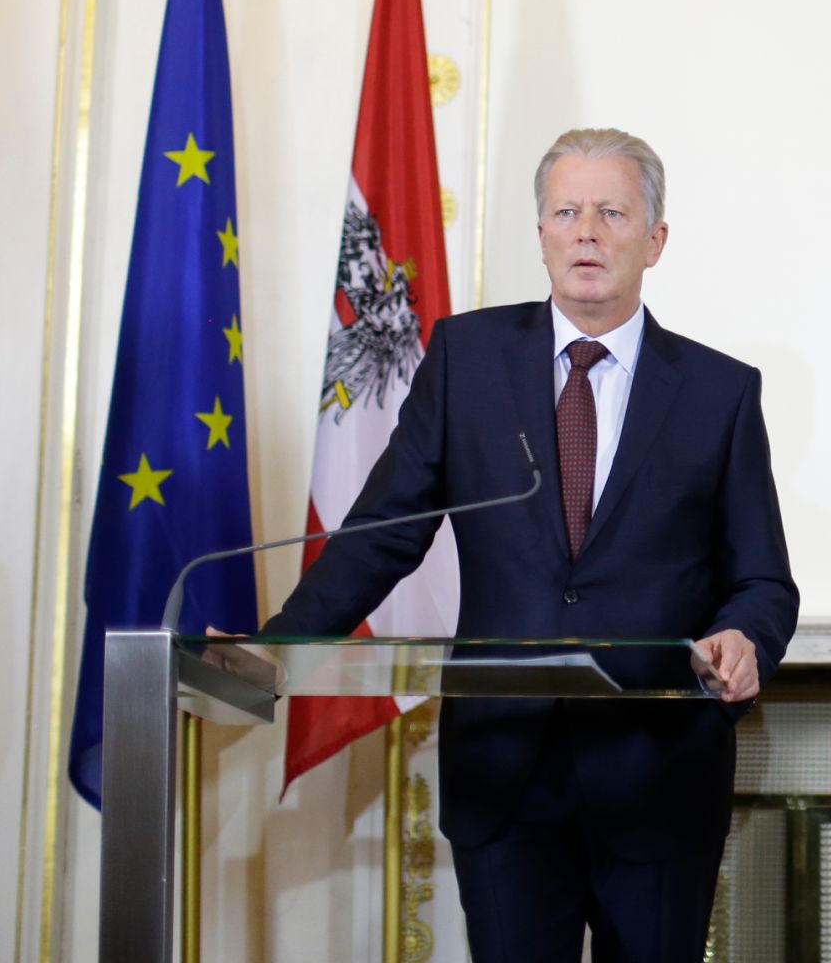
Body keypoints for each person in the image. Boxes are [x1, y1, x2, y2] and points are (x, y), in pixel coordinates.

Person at [259, 128, 799, 963]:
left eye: (613, 213)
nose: (587, 231)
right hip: (505, 768)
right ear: (541, 232)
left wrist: (746, 637)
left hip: (657, 771)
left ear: (655, 240)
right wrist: (283, 645)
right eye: (567, 211)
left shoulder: (720, 393)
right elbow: (386, 533)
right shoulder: (466, 360)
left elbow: (762, 579)